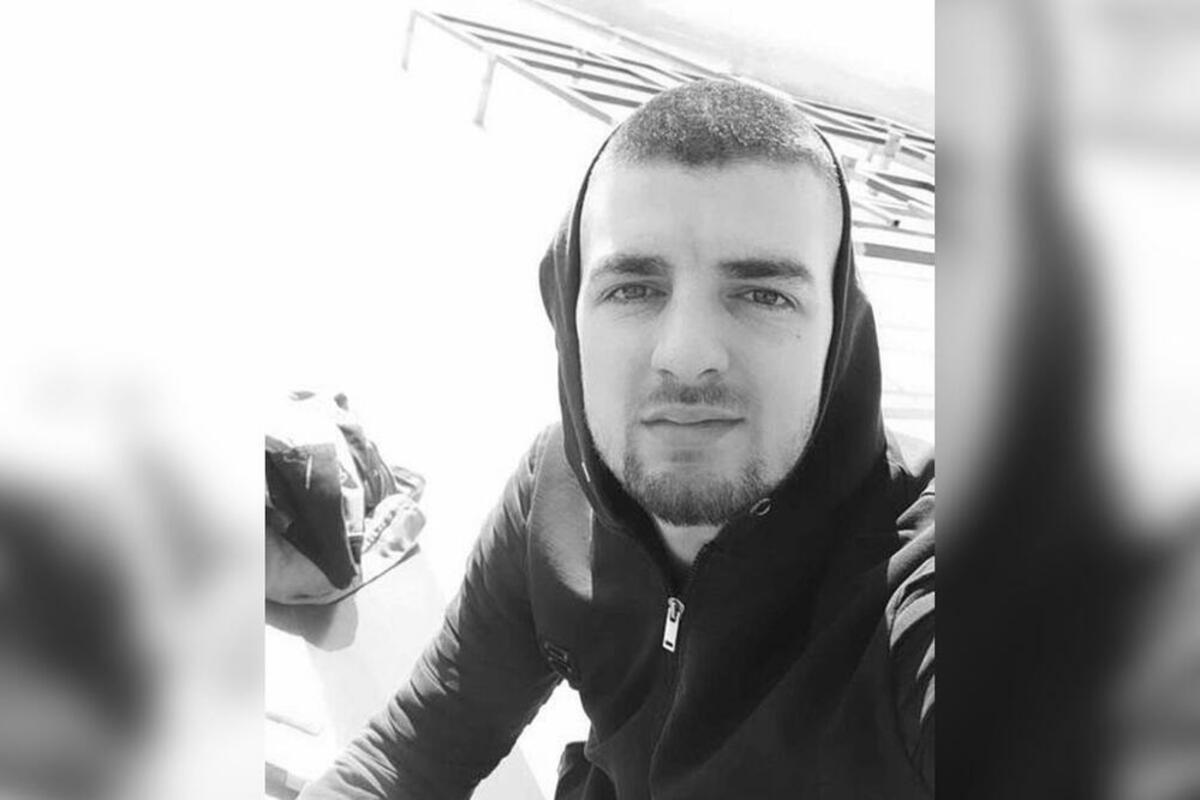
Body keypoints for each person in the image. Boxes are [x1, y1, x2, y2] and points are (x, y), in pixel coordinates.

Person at [299, 79, 934, 800]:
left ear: (839, 335)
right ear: (569, 315)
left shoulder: (923, 571)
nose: (686, 354)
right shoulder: (556, 493)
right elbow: (419, 747)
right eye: (632, 288)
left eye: (764, 294)